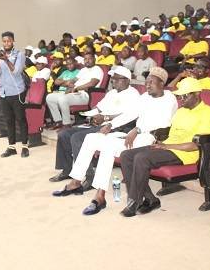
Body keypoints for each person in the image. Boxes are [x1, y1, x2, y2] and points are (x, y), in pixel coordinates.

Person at [54, 67, 177, 215]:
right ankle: (79, 182)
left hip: (150, 137)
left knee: (107, 148)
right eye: (146, 82)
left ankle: (99, 197)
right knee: (91, 138)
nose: (148, 85)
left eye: (151, 82)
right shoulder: (145, 97)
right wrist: (110, 124)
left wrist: (137, 130)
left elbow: (163, 122)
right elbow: (130, 114)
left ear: (162, 83)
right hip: (134, 136)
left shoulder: (169, 98)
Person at [119, 77, 210, 217]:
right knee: (126, 155)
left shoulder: (208, 113)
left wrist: (166, 146)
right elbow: (170, 132)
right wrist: (160, 143)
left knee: (142, 158)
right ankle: (150, 199)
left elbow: (196, 145)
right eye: (179, 96)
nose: (181, 99)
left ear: (196, 94)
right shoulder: (181, 111)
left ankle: (135, 201)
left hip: (185, 153)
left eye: (185, 96)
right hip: (168, 146)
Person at [49, 66, 140, 185]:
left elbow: (128, 116)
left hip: (116, 127)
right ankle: (67, 170)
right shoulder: (112, 93)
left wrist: (105, 118)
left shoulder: (133, 94)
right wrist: (90, 115)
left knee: (78, 138)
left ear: (127, 80)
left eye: (118, 78)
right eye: (113, 78)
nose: (114, 81)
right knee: (64, 134)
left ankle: (89, 177)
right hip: (101, 123)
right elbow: (98, 108)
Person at [0, 31, 29, 158]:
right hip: (4, 92)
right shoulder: (0, 54)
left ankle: (25, 146)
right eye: (4, 41)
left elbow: (16, 72)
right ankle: (12, 147)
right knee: (9, 120)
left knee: (21, 119)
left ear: (13, 41)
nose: (6, 43)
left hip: (17, 91)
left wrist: (6, 60)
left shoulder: (19, 54)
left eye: (9, 41)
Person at [45, 53, 103, 129]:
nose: (87, 61)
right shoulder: (83, 70)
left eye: (90, 58)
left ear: (94, 59)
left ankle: (66, 124)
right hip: (76, 93)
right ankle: (58, 121)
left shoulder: (97, 69)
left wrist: (76, 88)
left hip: (86, 94)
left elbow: (92, 83)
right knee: (50, 97)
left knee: (63, 99)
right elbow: (74, 80)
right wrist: (68, 83)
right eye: (85, 59)